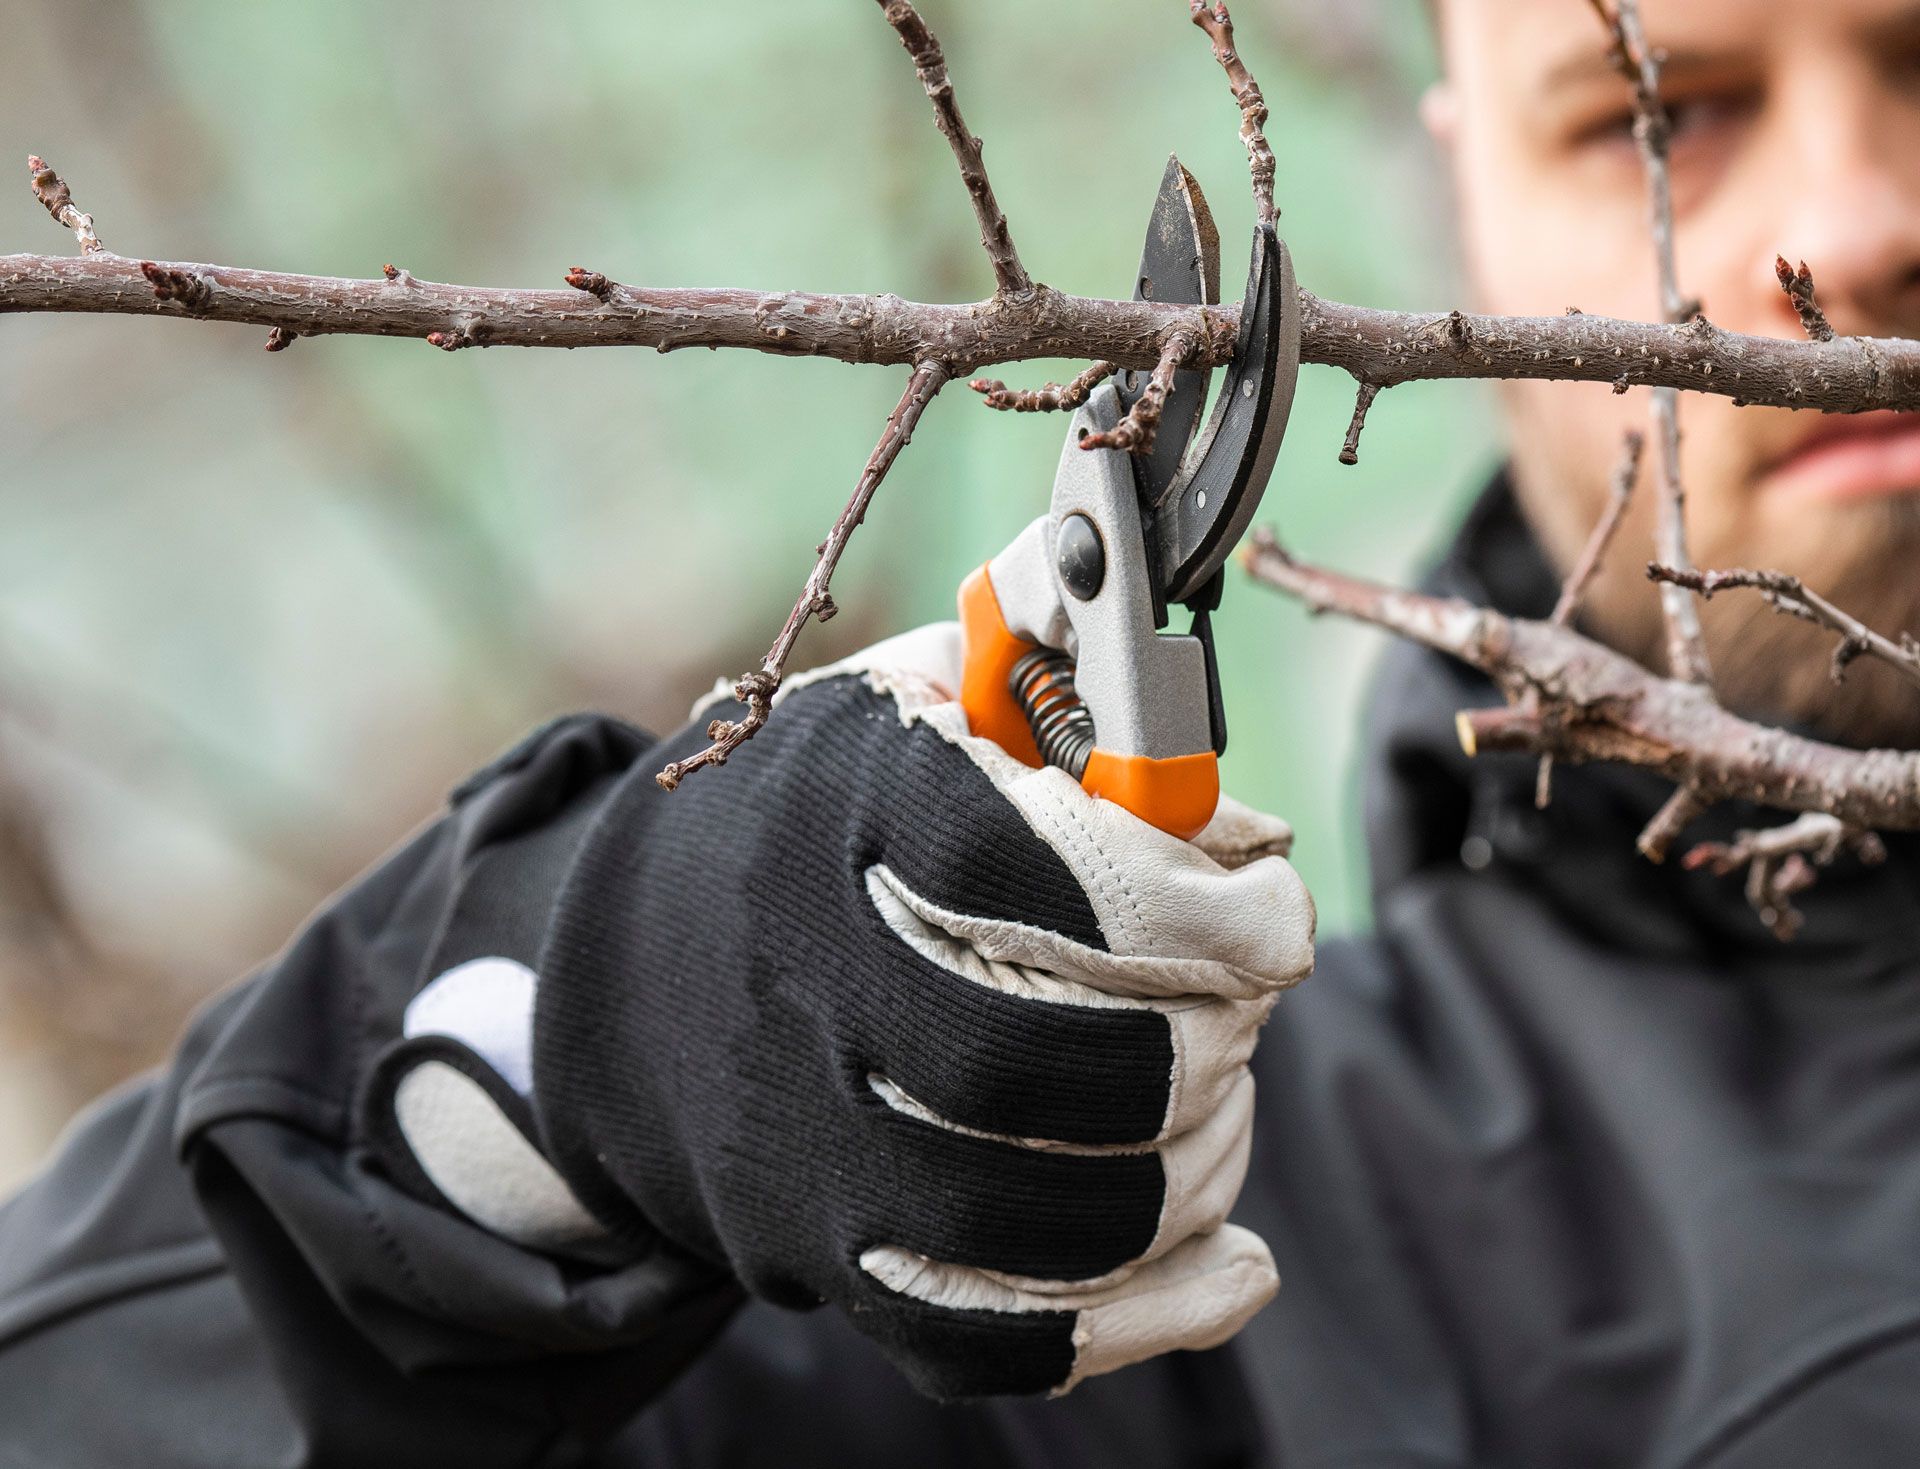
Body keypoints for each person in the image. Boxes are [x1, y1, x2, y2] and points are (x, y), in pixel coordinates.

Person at [5, 0, 1920, 1463]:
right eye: (1655, 121)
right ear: (1469, 204)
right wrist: (548, 1069)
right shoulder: (1158, 1266)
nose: (1854, 222)